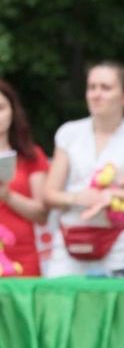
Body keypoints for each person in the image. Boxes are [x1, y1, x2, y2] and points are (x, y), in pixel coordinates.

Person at [43, 61, 124, 276]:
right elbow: (49, 194)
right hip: (71, 237)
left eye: (105, 88)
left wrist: (113, 195)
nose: (96, 94)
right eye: (92, 87)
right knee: (60, 303)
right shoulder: (69, 133)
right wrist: (77, 198)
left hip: (120, 241)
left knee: (117, 305)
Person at [0, 78, 49, 276]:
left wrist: (7, 196)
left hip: (23, 257)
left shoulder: (31, 155)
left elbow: (41, 213)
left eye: (1, 108)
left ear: (13, 111)